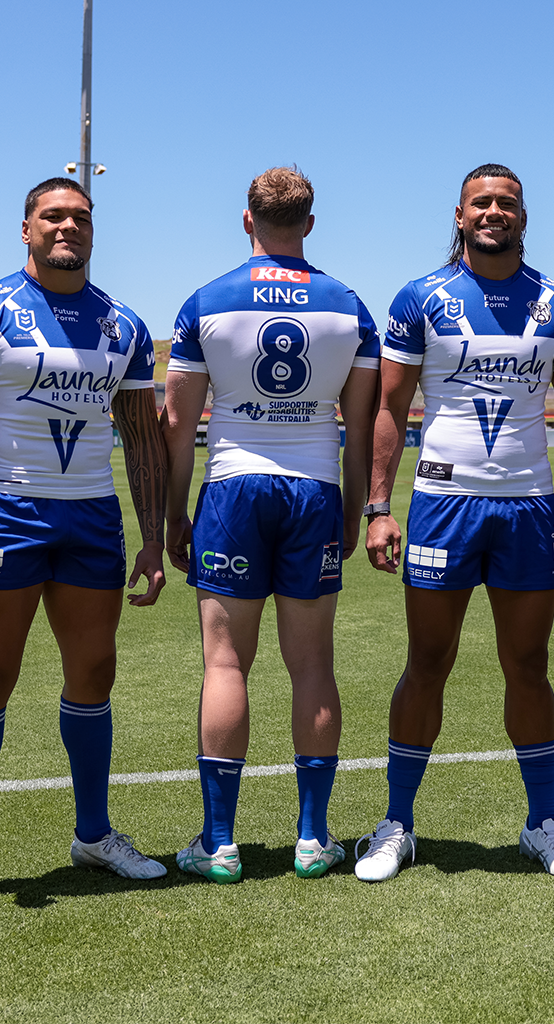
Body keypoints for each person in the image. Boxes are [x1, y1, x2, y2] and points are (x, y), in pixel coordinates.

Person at [0, 178, 168, 920]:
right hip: (8, 514)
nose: (68, 227)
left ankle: (93, 836)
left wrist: (153, 538)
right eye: (52, 216)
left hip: (91, 518)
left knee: (94, 673)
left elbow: (141, 438)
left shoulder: (124, 324)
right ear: (26, 229)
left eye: (80, 217)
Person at [354, 163, 554, 883]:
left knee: (528, 665)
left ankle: (543, 822)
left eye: (507, 203)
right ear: (460, 215)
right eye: (481, 203)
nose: (494, 212)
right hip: (444, 505)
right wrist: (378, 507)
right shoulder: (422, 297)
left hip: (527, 507)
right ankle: (397, 823)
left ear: (523, 216)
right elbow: (389, 408)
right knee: (428, 663)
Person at [163, 166, 379, 882]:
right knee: (313, 664)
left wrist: (173, 514)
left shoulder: (206, 301)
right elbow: (361, 427)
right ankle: (313, 839)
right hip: (313, 489)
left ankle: (219, 842)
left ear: (246, 219)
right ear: (309, 223)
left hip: (232, 491)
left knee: (226, 664)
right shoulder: (348, 305)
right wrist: (355, 509)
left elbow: (177, 425)